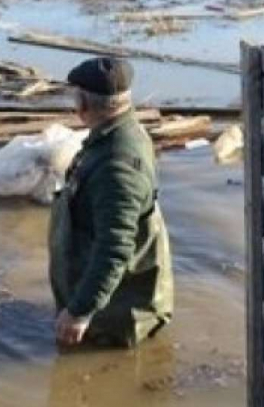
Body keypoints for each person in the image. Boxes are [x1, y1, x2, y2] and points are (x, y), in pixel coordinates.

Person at [49, 56, 173, 349]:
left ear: (82, 105)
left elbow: (114, 250)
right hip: (106, 299)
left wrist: (79, 312)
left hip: (116, 317)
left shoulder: (117, 168)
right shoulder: (118, 131)